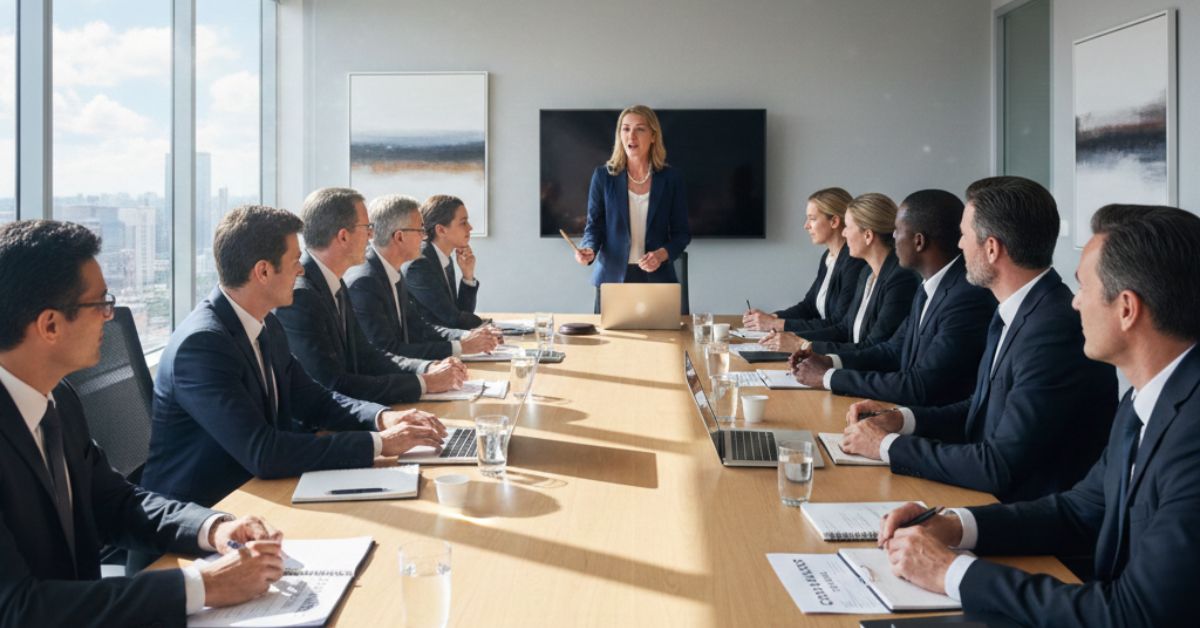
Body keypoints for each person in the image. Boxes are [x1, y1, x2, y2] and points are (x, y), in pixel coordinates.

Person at [878, 204, 1200, 627]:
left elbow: (1134, 614)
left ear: (1126, 309)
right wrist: (953, 526)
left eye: (1084, 286)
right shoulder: (1148, 399)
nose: (1074, 301)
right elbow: (1081, 510)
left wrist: (951, 571)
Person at [0, 220, 287, 624]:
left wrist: (214, 527)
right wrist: (203, 585)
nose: (109, 316)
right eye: (100, 303)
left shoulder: (58, 400)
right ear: (50, 325)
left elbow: (116, 503)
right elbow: (18, 609)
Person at [142, 205, 448, 508]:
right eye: (294, 261)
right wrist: (381, 443)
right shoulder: (202, 346)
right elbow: (263, 452)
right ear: (263, 271)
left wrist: (382, 418)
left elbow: (315, 400)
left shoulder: (265, 323)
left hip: (259, 496)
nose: (301, 270)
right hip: (206, 515)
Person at [840, 177, 1117, 502]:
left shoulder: (1054, 330)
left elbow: (999, 465)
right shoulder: (1020, 309)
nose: (958, 246)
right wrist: (902, 419)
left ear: (992, 248)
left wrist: (886, 446)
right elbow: (983, 410)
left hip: (1026, 524)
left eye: (965, 236)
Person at [788, 189, 996, 406]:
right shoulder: (929, 287)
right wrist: (828, 361)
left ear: (918, 241)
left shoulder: (965, 299)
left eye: (898, 230)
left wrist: (827, 376)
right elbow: (891, 350)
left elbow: (921, 385)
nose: (893, 236)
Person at [274, 188, 467, 405]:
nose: (371, 235)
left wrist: (426, 369)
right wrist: (424, 383)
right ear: (343, 236)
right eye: (367, 228)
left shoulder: (333, 281)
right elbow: (333, 384)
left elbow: (366, 354)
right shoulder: (301, 297)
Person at [346, 194, 501, 360]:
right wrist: (460, 347)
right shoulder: (364, 282)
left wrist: (465, 340)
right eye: (420, 230)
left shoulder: (392, 271)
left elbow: (420, 328)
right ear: (399, 237)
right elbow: (387, 351)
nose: (424, 236)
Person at [762, 192, 919, 354]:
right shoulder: (866, 272)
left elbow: (875, 348)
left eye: (848, 227)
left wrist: (803, 346)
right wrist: (794, 338)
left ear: (868, 235)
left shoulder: (901, 279)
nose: (844, 233)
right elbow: (844, 329)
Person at [574, 105, 691, 313]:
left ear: (653, 136)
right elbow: (594, 227)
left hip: (658, 280)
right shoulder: (603, 177)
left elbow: (682, 234)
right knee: (611, 344)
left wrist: (661, 254)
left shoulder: (672, 179)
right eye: (626, 129)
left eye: (640, 129)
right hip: (612, 280)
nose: (632, 135)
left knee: (663, 344)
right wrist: (589, 249)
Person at [743, 187, 866, 333]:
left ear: (834, 221)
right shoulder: (828, 257)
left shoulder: (853, 262)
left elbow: (838, 323)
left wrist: (776, 324)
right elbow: (809, 307)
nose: (806, 225)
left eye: (812, 219)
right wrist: (771, 317)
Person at [403, 194, 485, 329]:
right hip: (430, 345)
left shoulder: (443, 257)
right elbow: (453, 319)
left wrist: (467, 276)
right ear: (441, 230)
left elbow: (461, 314)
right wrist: (485, 325)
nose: (470, 228)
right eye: (463, 222)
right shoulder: (418, 265)